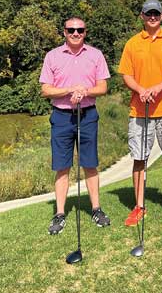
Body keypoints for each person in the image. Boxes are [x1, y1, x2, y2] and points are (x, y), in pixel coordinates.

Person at [118, 0, 162, 227]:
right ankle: (139, 206)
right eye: (148, 13)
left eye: (156, 13)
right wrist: (141, 90)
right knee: (139, 158)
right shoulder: (132, 44)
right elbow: (126, 75)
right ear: (142, 16)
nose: (152, 17)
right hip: (140, 110)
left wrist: (158, 87)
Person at [40, 17, 111, 235]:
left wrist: (85, 91)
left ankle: (96, 209)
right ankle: (60, 213)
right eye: (71, 30)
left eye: (80, 30)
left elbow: (103, 86)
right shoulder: (52, 56)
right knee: (62, 166)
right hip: (61, 117)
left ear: (85, 32)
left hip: (87, 115)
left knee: (90, 164)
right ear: (64, 32)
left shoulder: (95, 55)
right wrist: (70, 90)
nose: (75, 33)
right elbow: (46, 90)